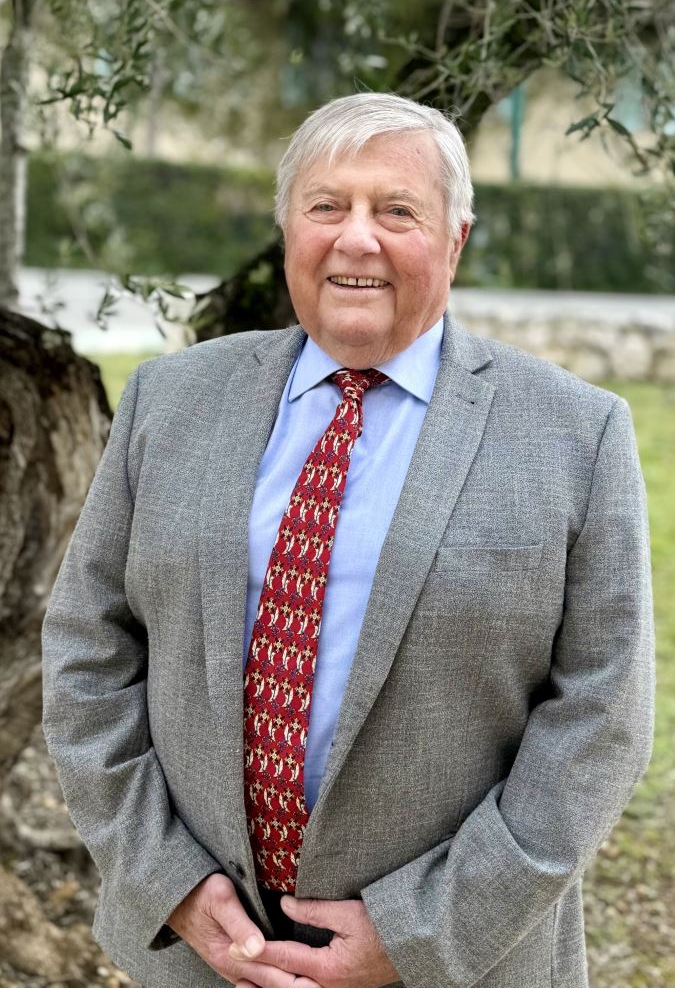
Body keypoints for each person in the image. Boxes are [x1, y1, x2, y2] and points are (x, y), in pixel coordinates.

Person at [41, 92, 654, 988]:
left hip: (461, 964)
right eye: (326, 206)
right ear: (289, 229)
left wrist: (417, 933)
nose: (355, 238)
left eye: (396, 211)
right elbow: (86, 652)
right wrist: (164, 880)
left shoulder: (574, 434)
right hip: (203, 959)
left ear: (455, 239)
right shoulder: (168, 402)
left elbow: (602, 721)